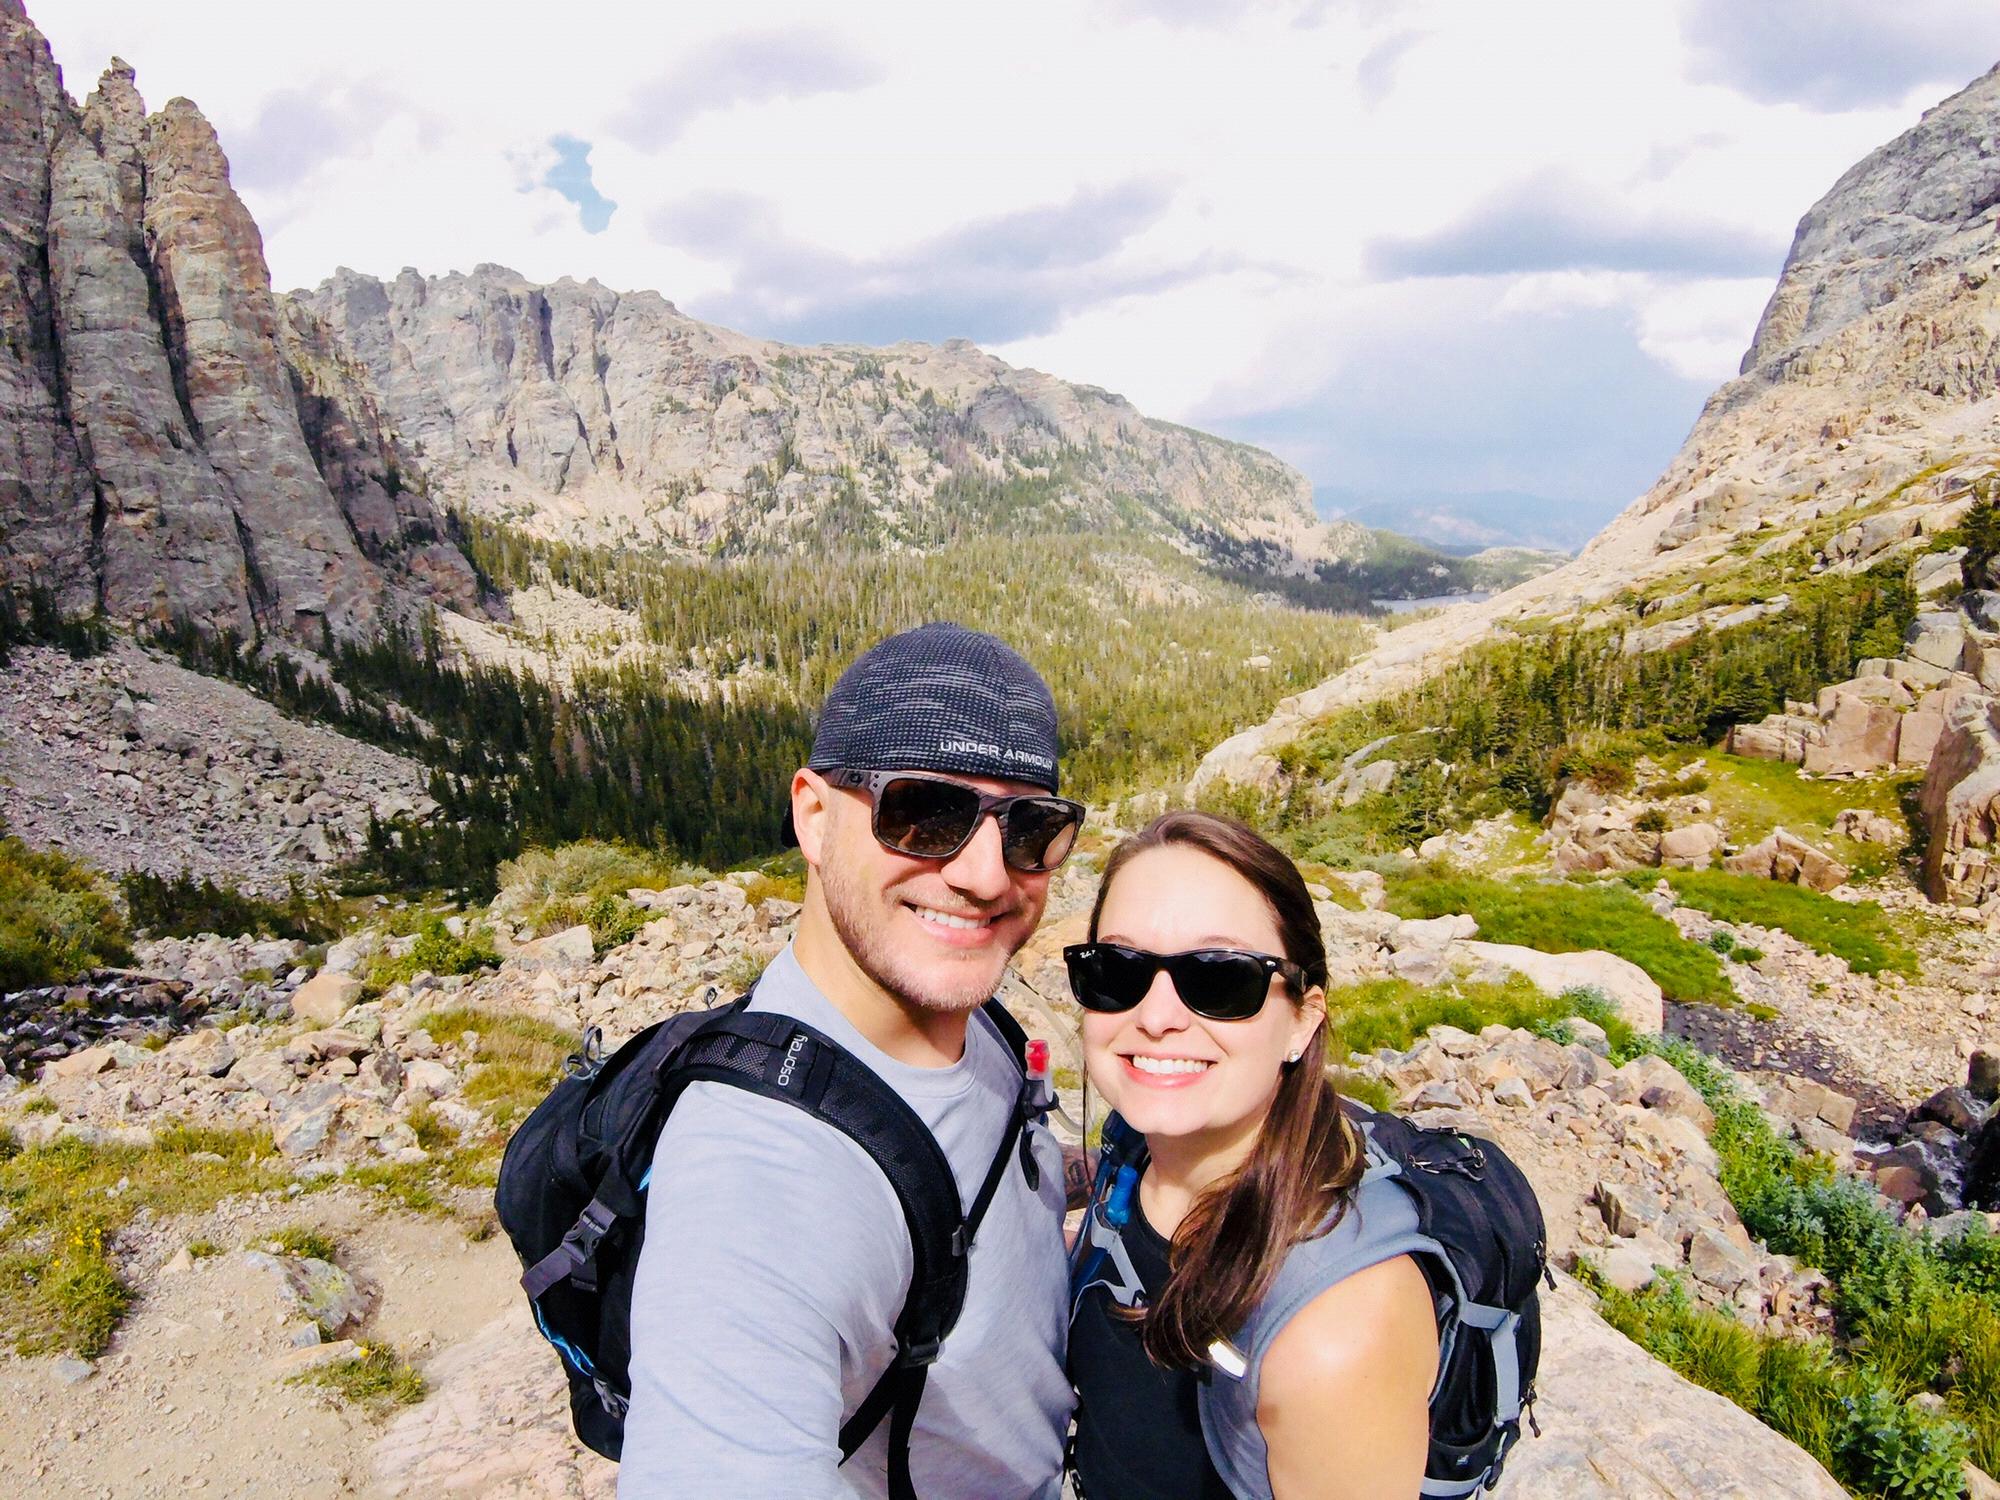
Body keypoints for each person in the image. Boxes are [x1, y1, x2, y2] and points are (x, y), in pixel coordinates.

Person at [619, 621, 1083, 1499]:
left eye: (1031, 827)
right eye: (925, 813)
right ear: (814, 815)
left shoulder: (961, 1007)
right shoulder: (757, 1178)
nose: (986, 875)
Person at [1065, 811, 1439, 1500]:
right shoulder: (1134, 1157)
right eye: (1117, 969)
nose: (1156, 1015)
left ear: (1303, 1018)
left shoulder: (1335, 1328)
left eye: (1219, 978)